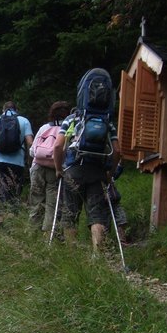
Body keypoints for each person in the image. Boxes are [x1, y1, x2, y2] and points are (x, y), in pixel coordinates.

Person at [53, 98, 119, 252]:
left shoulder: (72, 119)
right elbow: (117, 151)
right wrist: (110, 173)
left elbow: (57, 146)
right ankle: (98, 256)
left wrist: (58, 169)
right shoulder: (107, 121)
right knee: (97, 214)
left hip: (73, 169)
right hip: (97, 170)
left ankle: (71, 254)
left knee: (70, 213)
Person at [0, 101, 33, 222]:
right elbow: (30, 143)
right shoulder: (24, 121)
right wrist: (29, 158)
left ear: (3, 110)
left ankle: (0, 219)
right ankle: (12, 218)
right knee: (14, 191)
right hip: (17, 163)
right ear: (16, 110)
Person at [28, 100, 72, 234]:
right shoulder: (68, 130)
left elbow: (32, 151)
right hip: (56, 169)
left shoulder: (44, 128)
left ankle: (32, 232)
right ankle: (48, 234)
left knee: (36, 201)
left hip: (38, 167)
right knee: (52, 205)